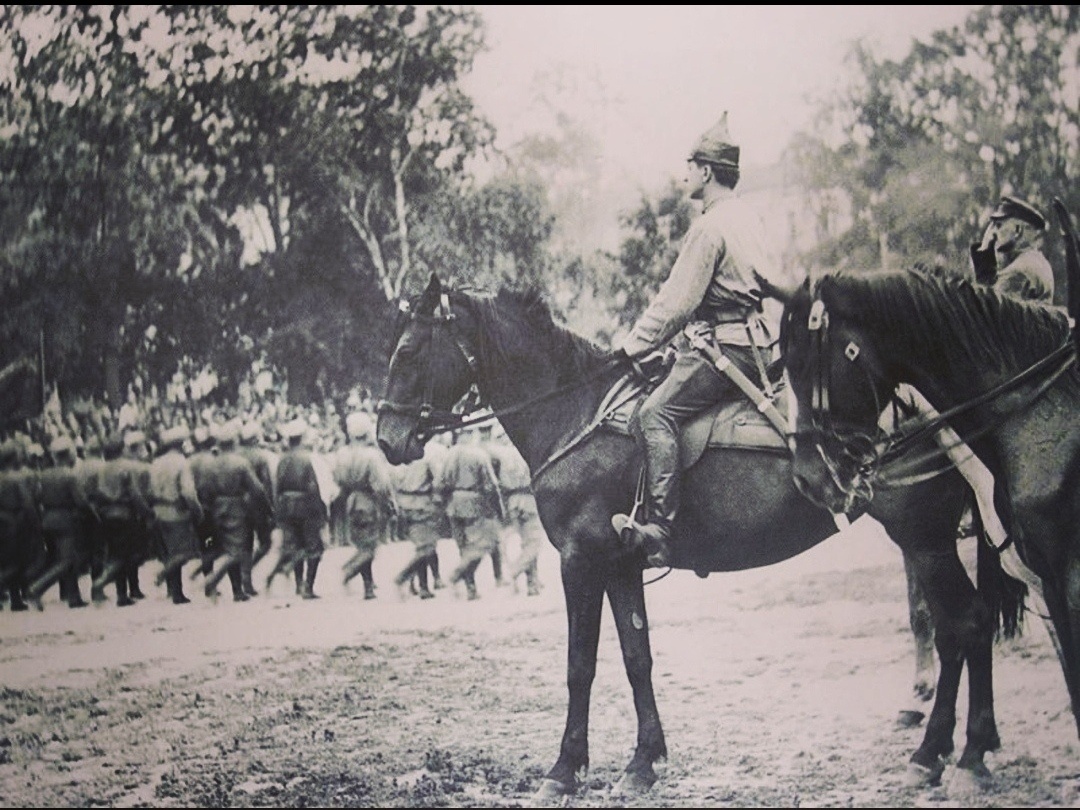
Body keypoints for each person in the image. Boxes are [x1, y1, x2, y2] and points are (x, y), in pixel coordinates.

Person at [611, 112, 787, 568]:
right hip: (759, 344)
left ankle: (660, 531)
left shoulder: (708, 227)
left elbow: (675, 304)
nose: (685, 173)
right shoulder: (747, 217)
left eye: (690, 166)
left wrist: (628, 349)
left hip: (726, 350)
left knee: (653, 414)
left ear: (706, 172)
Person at [200, 420, 271, 602]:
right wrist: (267, 508)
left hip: (217, 508)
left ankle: (237, 590)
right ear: (233, 442)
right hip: (237, 507)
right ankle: (214, 580)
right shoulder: (240, 463)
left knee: (229, 547)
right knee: (239, 550)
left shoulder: (210, 464)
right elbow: (258, 489)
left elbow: (204, 490)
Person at [333, 411, 397, 600]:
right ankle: (349, 571)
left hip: (351, 501)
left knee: (363, 544)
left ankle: (368, 587)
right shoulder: (372, 456)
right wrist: (389, 505)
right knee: (370, 547)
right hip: (368, 502)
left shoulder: (342, 454)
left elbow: (337, 479)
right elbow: (382, 485)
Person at [437, 424, 505, 601]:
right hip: (475, 504)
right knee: (482, 545)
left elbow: (440, 484)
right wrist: (498, 509)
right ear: (471, 434)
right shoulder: (479, 454)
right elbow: (491, 486)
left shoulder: (448, 455)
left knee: (463, 548)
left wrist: (446, 504)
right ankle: (455, 576)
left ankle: (471, 589)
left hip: (454, 504)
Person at [27, 435, 96, 609]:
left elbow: (36, 497)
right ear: (68, 454)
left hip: (48, 519)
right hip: (66, 521)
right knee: (67, 561)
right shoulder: (70, 476)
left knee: (63, 558)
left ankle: (74, 597)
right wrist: (92, 514)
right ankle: (38, 587)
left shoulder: (44, 475)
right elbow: (81, 501)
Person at [266, 418, 327, 599]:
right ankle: (308, 587)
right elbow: (313, 487)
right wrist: (320, 511)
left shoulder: (282, 459)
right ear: (301, 437)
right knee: (314, 547)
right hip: (305, 506)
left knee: (296, 546)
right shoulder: (307, 459)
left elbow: (276, 487)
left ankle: (298, 584)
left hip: (286, 506)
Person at [90, 431, 154, 607]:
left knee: (116, 552)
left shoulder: (101, 469)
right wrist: (147, 511)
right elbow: (135, 494)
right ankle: (106, 585)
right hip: (125, 514)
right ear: (121, 448)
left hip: (106, 515)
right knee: (126, 555)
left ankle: (123, 593)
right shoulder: (127, 467)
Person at [147, 424, 204, 605]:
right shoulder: (182, 463)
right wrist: (197, 511)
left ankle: (174, 591)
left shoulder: (155, 462)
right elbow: (188, 492)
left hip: (157, 510)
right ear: (180, 444)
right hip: (176, 511)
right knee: (183, 552)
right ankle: (162, 577)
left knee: (169, 552)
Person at [487, 430, 546, 596]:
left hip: (512, 501)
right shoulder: (523, 451)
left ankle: (532, 583)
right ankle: (515, 571)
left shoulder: (499, 455)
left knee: (526, 542)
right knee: (533, 543)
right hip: (528, 499)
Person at [970, 195, 1055, 303]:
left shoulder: (1019, 271)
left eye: (998, 225)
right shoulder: (1035, 261)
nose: (992, 232)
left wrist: (984, 250)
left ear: (1018, 230)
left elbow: (987, 313)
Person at [391, 440, 444, 600]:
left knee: (422, 545)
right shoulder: (427, 455)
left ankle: (420, 584)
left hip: (404, 505)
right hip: (423, 504)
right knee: (426, 547)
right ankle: (407, 579)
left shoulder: (395, 456)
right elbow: (439, 479)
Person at [0, 439, 43, 611]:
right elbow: (27, 504)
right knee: (18, 562)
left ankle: (16, 599)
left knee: (5, 560)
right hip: (15, 522)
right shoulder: (17, 479)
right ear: (13, 458)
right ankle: (16, 597)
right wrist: (36, 524)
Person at [237, 420, 275, 596]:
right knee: (265, 543)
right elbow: (265, 486)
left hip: (238, 505)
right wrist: (270, 508)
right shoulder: (260, 457)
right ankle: (247, 574)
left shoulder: (236, 455)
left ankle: (245, 578)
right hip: (256, 505)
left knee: (245, 544)